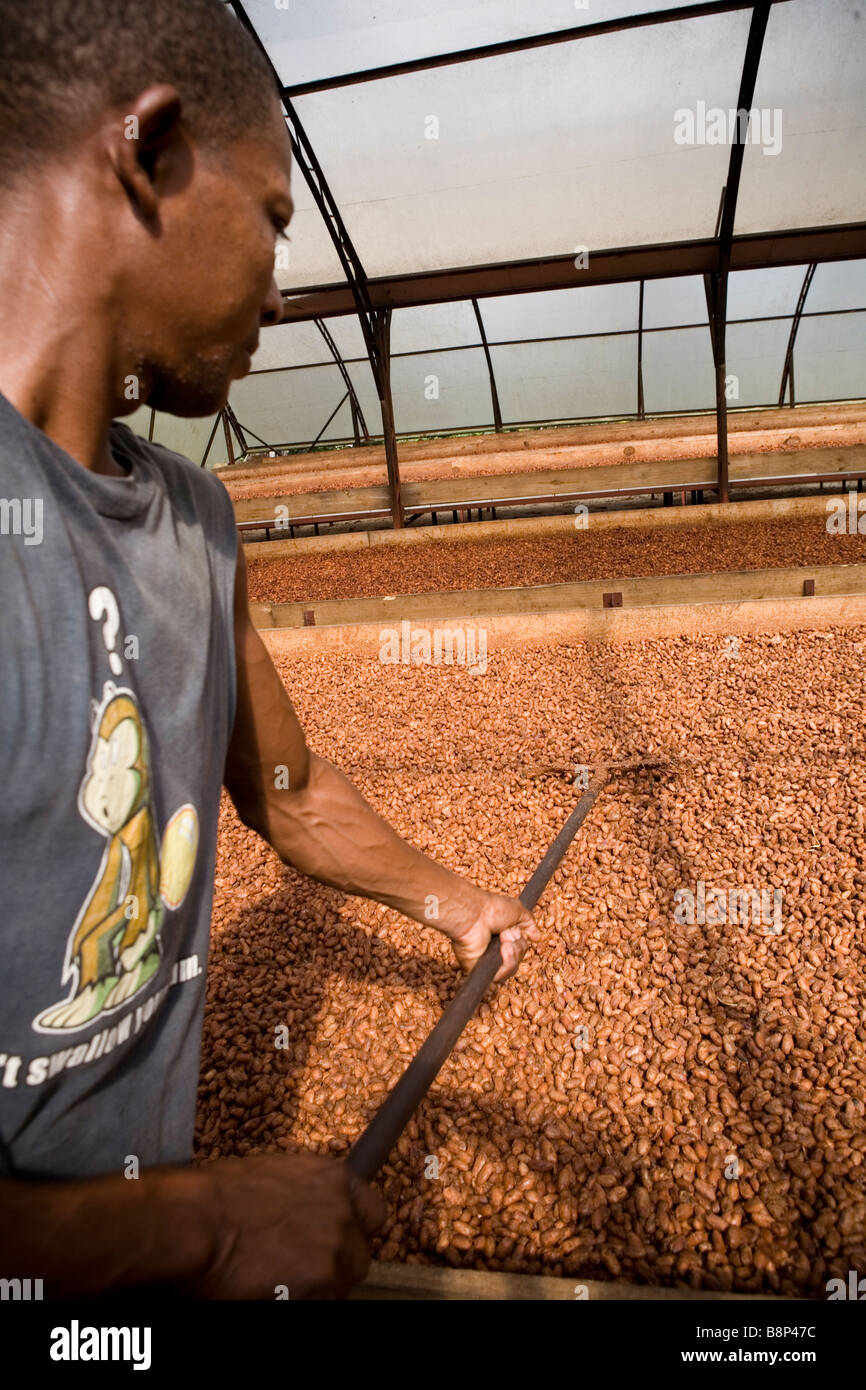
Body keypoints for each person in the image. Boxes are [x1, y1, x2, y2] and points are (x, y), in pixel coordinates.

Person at [0, 0, 539, 1299]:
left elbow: (286, 793)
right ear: (154, 149)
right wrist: (198, 1226)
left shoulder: (196, 519)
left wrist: (451, 897)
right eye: (272, 219)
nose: (281, 290)